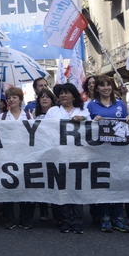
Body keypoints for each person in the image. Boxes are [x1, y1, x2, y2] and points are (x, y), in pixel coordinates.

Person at [86, 76, 129, 233]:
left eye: (108, 85)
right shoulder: (91, 105)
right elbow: (85, 126)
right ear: (97, 88)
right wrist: (93, 121)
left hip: (118, 151)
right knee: (102, 184)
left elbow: (127, 123)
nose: (105, 88)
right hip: (99, 152)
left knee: (117, 184)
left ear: (112, 87)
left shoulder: (120, 104)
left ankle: (118, 218)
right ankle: (104, 217)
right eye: (102, 85)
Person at [45, 83, 89, 233]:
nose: (63, 95)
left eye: (66, 92)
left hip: (78, 155)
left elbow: (92, 127)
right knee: (61, 188)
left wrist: (83, 119)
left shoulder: (83, 110)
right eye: (61, 93)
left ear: (74, 95)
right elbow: (46, 130)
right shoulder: (53, 111)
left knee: (76, 188)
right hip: (59, 155)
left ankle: (77, 221)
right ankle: (63, 220)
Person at [0, 87, 35, 230]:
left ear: (20, 100)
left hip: (26, 155)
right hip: (8, 156)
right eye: (9, 98)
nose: (11, 100)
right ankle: (9, 219)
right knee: (9, 187)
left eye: (14, 97)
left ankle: (26, 219)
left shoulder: (29, 116)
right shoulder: (2, 117)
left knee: (27, 187)